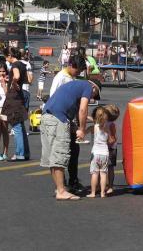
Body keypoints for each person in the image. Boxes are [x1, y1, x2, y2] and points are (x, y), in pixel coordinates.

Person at [40, 79, 101, 200]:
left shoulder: (73, 85)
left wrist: (74, 127)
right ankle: (61, 191)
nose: (92, 98)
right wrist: (82, 130)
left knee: (52, 156)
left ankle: (59, 187)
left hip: (46, 116)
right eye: (94, 95)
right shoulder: (87, 87)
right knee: (59, 155)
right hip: (58, 119)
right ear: (94, 88)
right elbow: (83, 110)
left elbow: (73, 111)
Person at [49, 55, 88, 190]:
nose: (78, 73)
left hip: (70, 119)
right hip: (61, 119)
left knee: (74, 150)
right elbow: (54, 98)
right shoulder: (60, 78)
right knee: (63, 151)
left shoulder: (72, 77)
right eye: (77, 70)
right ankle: (62, 183)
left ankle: (73, 180)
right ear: (70, 65)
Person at [86, 105, 118, 198]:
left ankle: (93, 192)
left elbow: (86, 131)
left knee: (95, 173)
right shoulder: (107, 128)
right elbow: (111, 140)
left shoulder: (94, 127)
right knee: (103, 174)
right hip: (105, 153)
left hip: (95, 153)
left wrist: (81, 133)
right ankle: (103, 193)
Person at [5, 47, 30, 161]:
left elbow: (17, 76)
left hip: (13, 98)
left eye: (6, 56)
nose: (6, 59)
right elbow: (28, 79)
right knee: (21, 126)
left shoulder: (15, 65)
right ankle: (25, 152)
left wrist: (14, 82)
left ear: (10, 56)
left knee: (17, 126)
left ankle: (19, 152)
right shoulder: (23, 64)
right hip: (19, 96)